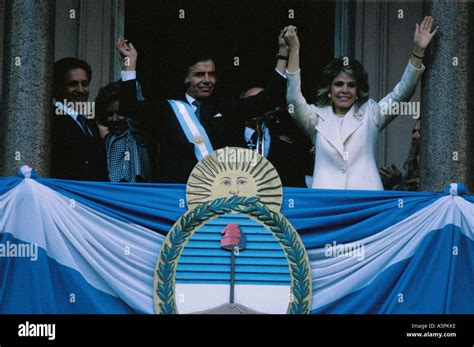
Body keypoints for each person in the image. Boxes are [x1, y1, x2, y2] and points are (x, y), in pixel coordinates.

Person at [116, 29, 289, 183]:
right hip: (175, 198)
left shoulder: (226, 108)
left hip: (216, 197)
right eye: (199, 75)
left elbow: (267, 99)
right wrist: (129, 63)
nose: (207, 80)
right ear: (186, 78)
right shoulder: (167, 109)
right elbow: (129, 108)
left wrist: (283, 54)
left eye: (211, 74)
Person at [284, 17, 437, 190]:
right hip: (326, 202)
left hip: (365, 201)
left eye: (351, 85)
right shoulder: (316, 118)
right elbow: (293, 99)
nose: (344, 90)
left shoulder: (371, 114)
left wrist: (418, 51)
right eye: (338, 84)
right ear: (329, 88)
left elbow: (402, 93)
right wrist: (294, 50)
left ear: (358, 91)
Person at [241, 87, 312, 187]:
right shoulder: (226, 140)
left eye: (262, 101)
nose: (256, 105)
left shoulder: (288, 149)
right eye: (251, 101)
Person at [52, 58, 107, 181]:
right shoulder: (51, 121)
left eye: (85, 83)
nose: (81, 90)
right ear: (57, 88)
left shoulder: (90, 125)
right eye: (73, 84)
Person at [95, 82, 154, 183]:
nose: (115, 119)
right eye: (109, 114)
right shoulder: (105, 140)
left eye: (120, 113)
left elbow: (139, 109)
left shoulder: (137, 133)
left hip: (136, 193)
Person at [379, 120, 420, 190]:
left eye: (420, 132)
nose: (414, 136)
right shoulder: (413, 165)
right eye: (413, 132)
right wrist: (396, 183)